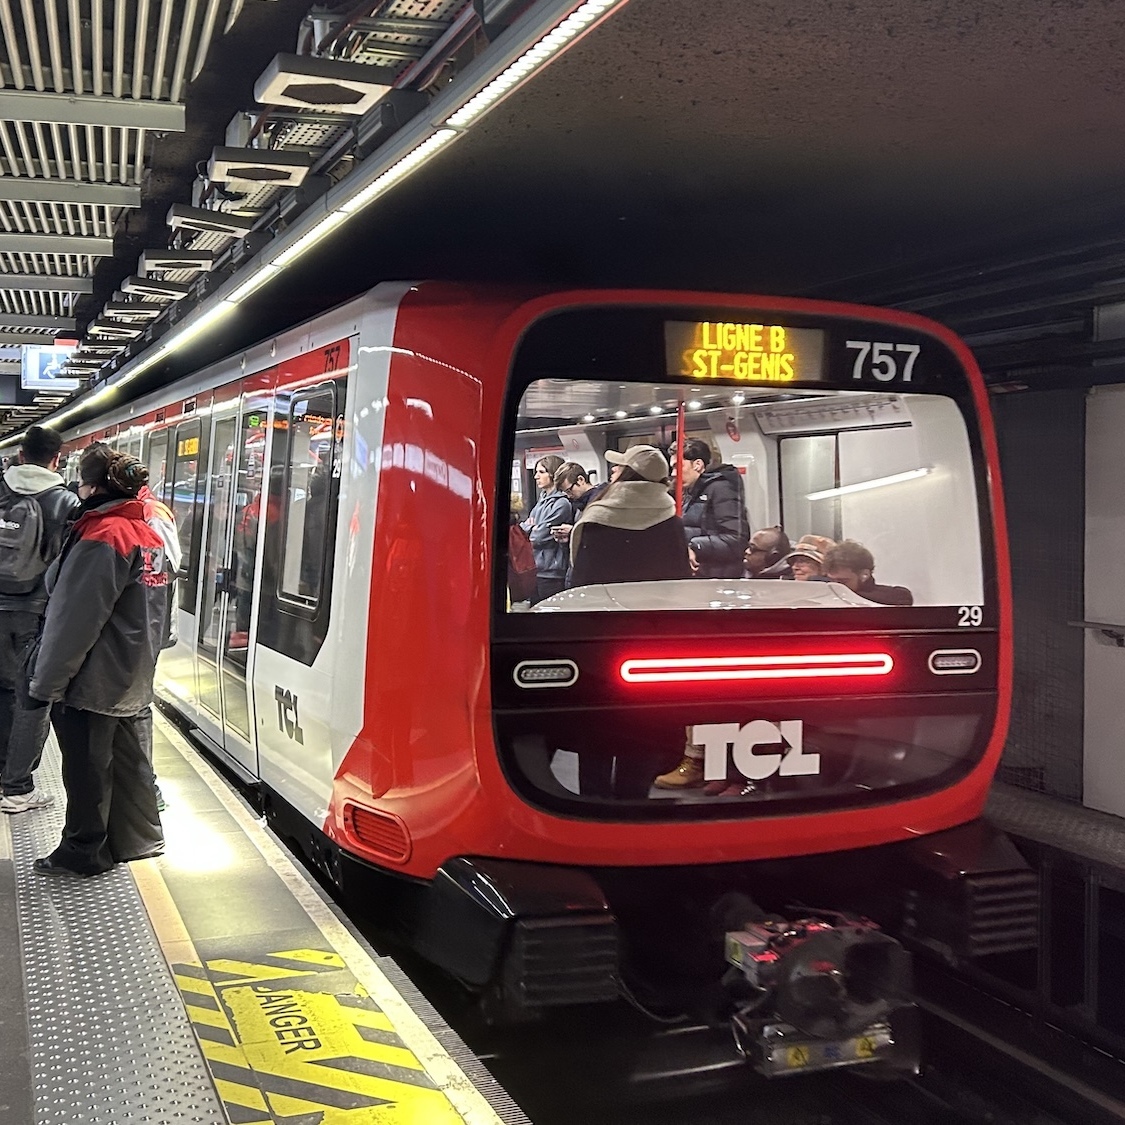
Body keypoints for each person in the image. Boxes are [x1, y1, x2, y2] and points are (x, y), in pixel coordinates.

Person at [29, 446, 168, 878]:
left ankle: (83, 850)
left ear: (91, 487)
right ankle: (138, 839)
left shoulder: (103, 535)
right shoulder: (149, 533)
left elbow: (74, 620)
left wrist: (45, 684)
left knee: (87, 768)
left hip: (95, 676)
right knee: (127, 764)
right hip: (133, 669)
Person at [0, 425, 81, 813]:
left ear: (19, 455)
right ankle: (16, 788)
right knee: (31, 698)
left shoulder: (1, 488)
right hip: (33, 612)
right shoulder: (64, 503)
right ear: (57, 459)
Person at [569, 446, 690, 587]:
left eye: (620, 466)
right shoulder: (673, 522)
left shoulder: (596, 520)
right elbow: (680, 574)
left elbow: (583, 578)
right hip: (658, 604)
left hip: (608, 603)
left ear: (629, 475)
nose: (613, 469)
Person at [676, 438, 749, 578]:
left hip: (718, 578)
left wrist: (695, 546)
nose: (674, 473)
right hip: (701, 575)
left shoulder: (721, 488)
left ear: (697, 464)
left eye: (678, 466)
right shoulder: (691, 493)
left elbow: (736, 539)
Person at [520, 454, 572, 604]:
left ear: (553, 473)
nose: (536, 476)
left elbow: (539, 536)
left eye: (541, 472)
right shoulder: (541, 502)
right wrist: (531, 527)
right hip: (536, 568)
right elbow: (523, 530)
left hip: (552, 571)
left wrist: (531, 528)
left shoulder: (561, 504)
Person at [823, 540, 914, 605]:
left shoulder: (897, 596)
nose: (836, 586)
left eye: (843, 581)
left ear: (864, 575)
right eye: (832, 580)